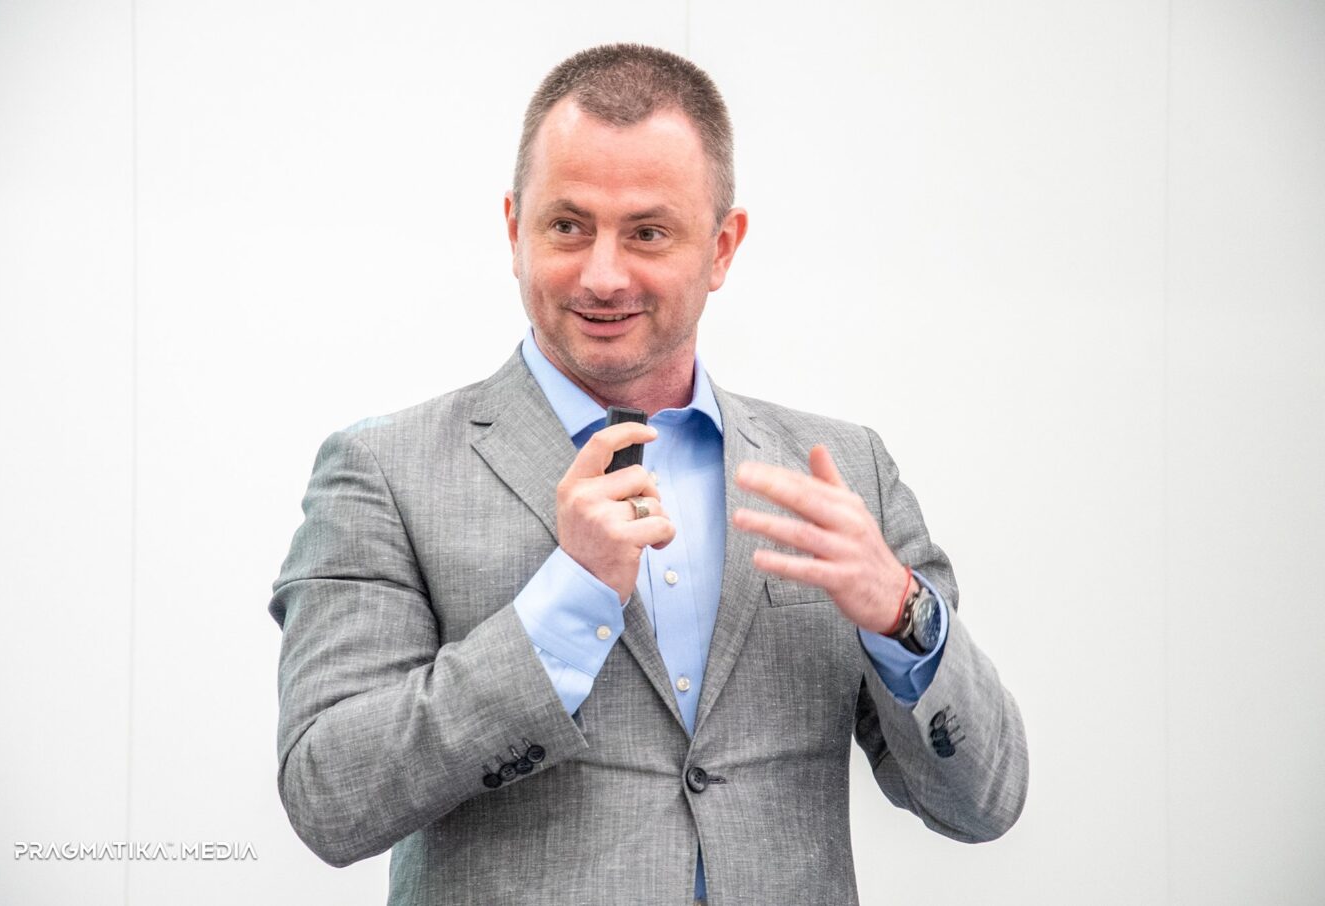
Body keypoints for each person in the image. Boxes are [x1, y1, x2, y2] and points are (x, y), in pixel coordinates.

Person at [270, 43, 1028, 906]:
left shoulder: (848, 474)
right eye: (568, 226)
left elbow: (984, 803)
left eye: (648, 233)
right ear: (514, 231)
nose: (603, 275)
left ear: (722, 248)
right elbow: (330, 797)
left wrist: (902, 614)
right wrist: (566, 603)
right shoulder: (384, 473)